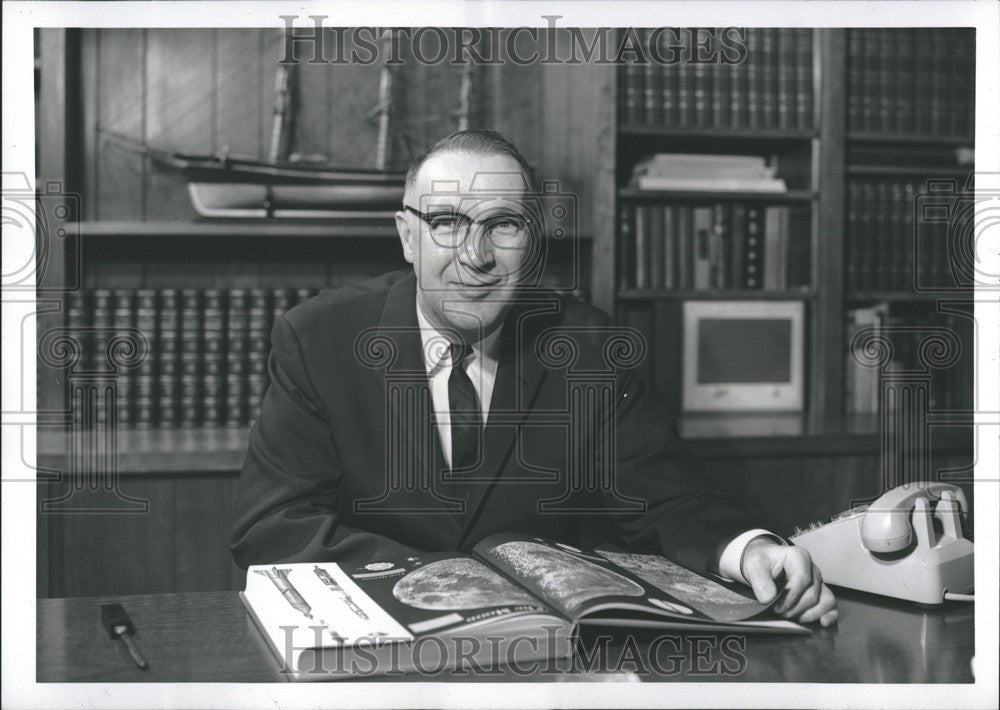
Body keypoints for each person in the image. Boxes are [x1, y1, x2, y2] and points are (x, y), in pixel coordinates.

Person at [231, 129, 837, 627]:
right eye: (445, 221)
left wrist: (751, 549)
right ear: (407, 237)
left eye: (504, 224)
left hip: (548, 660)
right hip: (377, 640)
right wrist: (456, 584)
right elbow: (272, 527)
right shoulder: (320, 338)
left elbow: (668, 499)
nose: (475, 255)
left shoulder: (588, 346)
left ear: (533, 241)